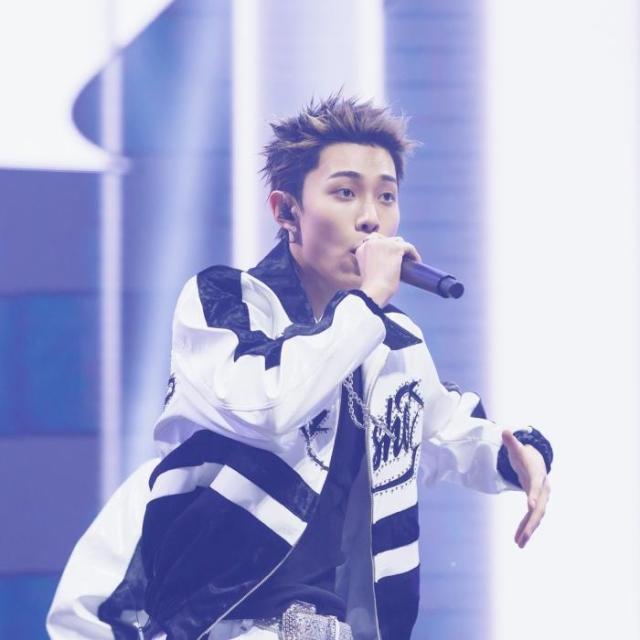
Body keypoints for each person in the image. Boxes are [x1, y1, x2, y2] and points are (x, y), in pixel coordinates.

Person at [47, 94, 553, 640]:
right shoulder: (224, 301)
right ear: (286, 211)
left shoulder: (393, 343)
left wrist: (517, 458)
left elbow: (444, 429)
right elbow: (270, 403)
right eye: (345, 192)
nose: (371, 218)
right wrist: (368, 303)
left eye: (386, 196)